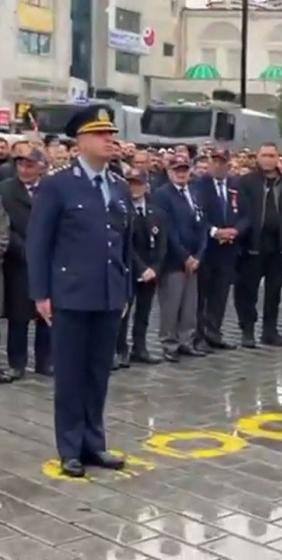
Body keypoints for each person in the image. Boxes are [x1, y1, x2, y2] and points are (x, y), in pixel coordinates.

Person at [27, 105, 132, 478]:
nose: (110, 140)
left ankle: (94, 443)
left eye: (111, 134)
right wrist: (41, 293)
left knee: (97, 374)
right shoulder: (58, 185)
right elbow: (39, 243)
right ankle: (70, 447)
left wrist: (124, 288)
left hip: (107, 294)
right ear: (80, 141)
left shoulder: (118, 185)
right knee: (70, 375)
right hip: (70, 294)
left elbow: (123, 243)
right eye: (101, 134)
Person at [234, 143, 282, 348]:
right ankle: (248, 330)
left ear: (278, 158)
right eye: (264, 155)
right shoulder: (246, 182)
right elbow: (241, 211)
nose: (268, 159)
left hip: (279, 244)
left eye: (272, 155)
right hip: (253, 243)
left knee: (274, 291)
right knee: (248, 290)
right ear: (257, 158)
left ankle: (270, 331)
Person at [1, 148, 50, 381]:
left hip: (48, 260)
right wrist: (26, 249)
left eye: (30, 165)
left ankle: (45, 361)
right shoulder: (6, 189)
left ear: (42, 166)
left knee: (47, 314)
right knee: (18, 315)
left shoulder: (51, 189)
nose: (24, 169)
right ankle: (16, 363)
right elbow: (5, 228)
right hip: (18, 261)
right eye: (20, 164)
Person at [153, 155, 208, 362]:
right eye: (177, 169)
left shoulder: (194, 192)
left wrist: (198, 255)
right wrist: (185, 256)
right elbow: (168, 230)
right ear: (169, 172)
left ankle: (187, 340)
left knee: (189, 305)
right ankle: (169, 343)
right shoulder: (162, 195)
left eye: (184, 169)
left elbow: (202, 224)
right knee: (171, 303)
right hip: (174, 260)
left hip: (194, 259)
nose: (181, 173)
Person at [194, 149, 248, 351]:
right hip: (207, 247)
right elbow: (196, 215)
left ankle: (214, 332)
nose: (218, 165)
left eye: (222, 162)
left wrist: (236, 230)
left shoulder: (235, 185)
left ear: (228, 164)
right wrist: (214, 231)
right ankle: (199, 336)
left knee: (221, 293)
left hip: (229, 248)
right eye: (214, 161)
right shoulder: (199, 185)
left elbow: (246, 213)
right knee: (202, 295)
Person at [115, 169, 166, 367]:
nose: (134, 188)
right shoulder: (120, 211)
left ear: (146, 186)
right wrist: (141, 268)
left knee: (144, 312)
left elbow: (162, 243)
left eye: (138, 183)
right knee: (123, 313)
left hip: (151, 271)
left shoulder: (156, 212)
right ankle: (120, 349)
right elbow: (124, 243)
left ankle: (140, 347)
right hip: (129, 268)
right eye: (130, 183)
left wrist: (155, 268)